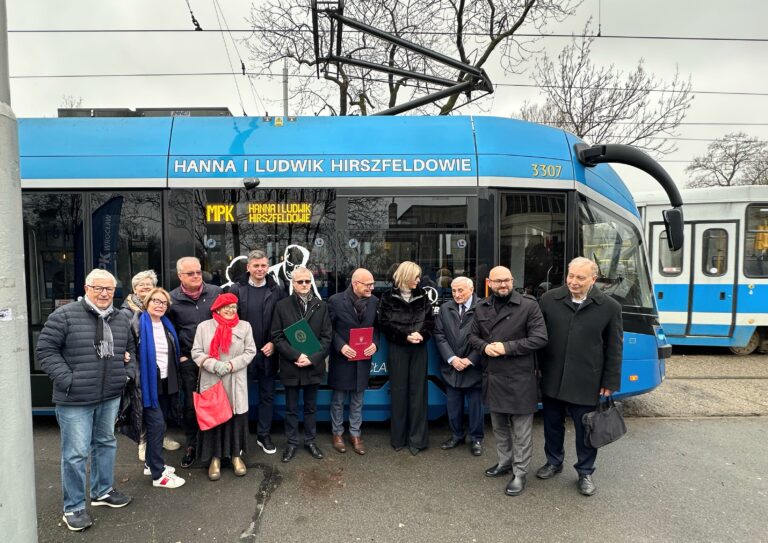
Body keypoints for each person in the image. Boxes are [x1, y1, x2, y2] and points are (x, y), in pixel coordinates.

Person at [37, 269, 135, 532]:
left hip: (109, 395)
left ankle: (103, 491)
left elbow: (130, 350)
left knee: (105, 443)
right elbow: (45, 351)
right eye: (98, 288)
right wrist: (69, 380)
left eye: (109, 289)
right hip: (75, 399)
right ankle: (74, 507)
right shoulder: (65, 315)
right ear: (86, 288)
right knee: (76, 454)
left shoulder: (120, 318)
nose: (104, 293)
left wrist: (126, 374)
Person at [536, 257, 623, 497]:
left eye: (580, 278)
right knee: (552, 425)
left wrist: (610, 382)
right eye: (571, 276)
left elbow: (614, 348)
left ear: (593, 280)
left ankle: (585, 471)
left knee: (587, 430)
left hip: (588, 380)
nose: (573, 282)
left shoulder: (609, 307)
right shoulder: (549, 300)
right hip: (553, 377)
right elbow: (537, 337)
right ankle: (554, 462)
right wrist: (536, 368)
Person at [468, 266, 548, 497]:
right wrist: (484, 347)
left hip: (521, 376)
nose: (503, 285)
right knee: (499, 427)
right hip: (493, 375)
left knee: (521, 431)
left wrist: (507, 347)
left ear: (513, 281)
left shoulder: (528, 305)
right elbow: (472, 336)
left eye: (507, 280)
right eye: (498, 281)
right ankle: (505, 462)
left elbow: (540, 338)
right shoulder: (481, 306)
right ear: (489, 283)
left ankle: (520, 472)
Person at [191, 293, 257, 481]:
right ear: (217, 308)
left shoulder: (244, 327)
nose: (230, 310)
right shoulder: (204, 327)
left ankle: (236, 456)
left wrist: (230, 365)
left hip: (235, 380)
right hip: (212, 380)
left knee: (236, 419)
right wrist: (213, 365)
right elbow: (196, 352)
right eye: (226, 306)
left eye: (233, 307)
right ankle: (215, 459)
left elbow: (250, 351)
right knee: (215, 419)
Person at [227, 249, 286, 455]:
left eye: (263, 266)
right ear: (248, 267)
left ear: (267, 267)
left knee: (266, 396)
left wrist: (274, 343)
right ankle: (239, 439)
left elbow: (282, 320)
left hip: (268, 352)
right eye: (256, 266)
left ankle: (263, 435)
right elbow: (228, 321)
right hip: (242, 354)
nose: (260, 269)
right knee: (238, 396)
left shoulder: (277, 289)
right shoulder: (237, 289)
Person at [272, 266, 332, 462]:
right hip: (291, 365)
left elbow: (326, 338)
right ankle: (291, 443)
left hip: (313, 366)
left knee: (311, 408)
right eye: (300, 282)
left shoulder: (321, 306)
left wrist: (312, 358)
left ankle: (310, 441)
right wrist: (296, 356)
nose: (305, 285)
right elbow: (277, 336)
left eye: (307, 281)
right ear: (293, 283)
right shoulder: (282, 306)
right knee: (290, 409)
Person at [121, 269, 181, 461]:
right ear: (134, 289)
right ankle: (145, 444)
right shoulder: (129, 314)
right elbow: (123, 341)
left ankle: (157, 439)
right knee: (146, 412)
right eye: (141, 285)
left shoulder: (163, 317)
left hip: (162, 372)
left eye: (150, 285)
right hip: (142, 373)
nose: (146, 288)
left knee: (160, 411)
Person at [168, 256, 222, 468]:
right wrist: (181, 355)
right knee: (191, 407)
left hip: (215, 360)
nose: (196, 276)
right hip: (190, 361)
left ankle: (216, 448)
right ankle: (192, 445)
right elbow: (169, 332)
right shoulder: (172, 299)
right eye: (190, 273)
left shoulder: (216, 293)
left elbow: (228, 320)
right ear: (180, 275)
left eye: (199, 272)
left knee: (216, 404)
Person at [377, 261, 435, 455]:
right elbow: (384, 324)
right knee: (399, 391)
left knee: (418, 393)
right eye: (416, 277)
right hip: (398, 348)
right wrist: (404, 336)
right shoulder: (387, 297)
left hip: (419, 349)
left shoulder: (423, 296)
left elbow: (429, 321)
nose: (419, 280)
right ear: (406, 276)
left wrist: (423, 335)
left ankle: (417, 440)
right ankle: (398, 438)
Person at [136, 287, 186, 489]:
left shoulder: (166, 324)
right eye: (155, 301)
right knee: (156, 426)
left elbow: (170, 350)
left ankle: (150, 463)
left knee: (160, 424)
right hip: (148, 383)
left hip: (166, 381)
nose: (159, 305)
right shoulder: (137, 324)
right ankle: (158, 475)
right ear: (147, 302)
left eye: (163, 303)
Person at [327, 268, 379, 455]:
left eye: (372, 284)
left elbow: (376, 329)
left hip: (363, 358)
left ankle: (355, 434)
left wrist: (375, 343)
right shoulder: (335, 301)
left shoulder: (374, 302)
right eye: (368, 284)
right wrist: (340, 346)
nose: (372, 288)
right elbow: (328, 330)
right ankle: (337, 434)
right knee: (338, 399)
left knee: (358, 399)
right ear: (355, 283)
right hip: (342, 358)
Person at [434, 276, 484, 456]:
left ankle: (476, 438)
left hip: (473, 366)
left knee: (475, 406)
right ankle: (456, 435)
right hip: (452, 366)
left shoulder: (483, 308)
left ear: (471, 289)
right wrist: (452, 358)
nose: (456, 294)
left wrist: (470, 359)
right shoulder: (445, 309)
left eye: (460, 290)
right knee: (453, 405)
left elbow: (487, 337)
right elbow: (439, 335)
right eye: (453, 291)